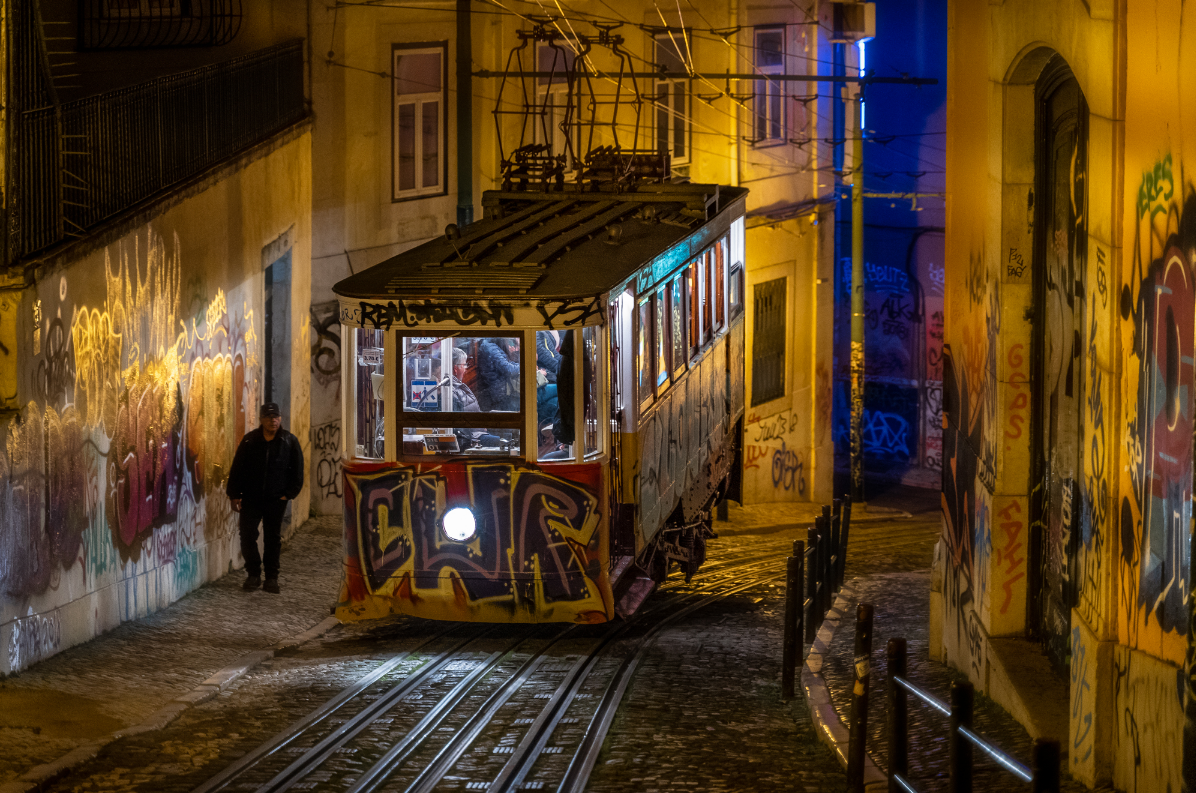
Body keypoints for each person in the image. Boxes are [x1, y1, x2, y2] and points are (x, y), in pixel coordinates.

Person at [226, 403, 304, 594]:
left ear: (280, 418)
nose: (273, 420)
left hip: (276, 500)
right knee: (247, 535)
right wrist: (234, 494)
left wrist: (289, 493)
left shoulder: (289, 441)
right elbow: (238, 469)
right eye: (269, 417)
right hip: (251, 498)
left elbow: (298, 470)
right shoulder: (249, 441)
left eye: (276, 417)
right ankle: (253, 574)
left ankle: (271, 578)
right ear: (261, 419)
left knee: (272, 538)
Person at [478, 336, 521, 412]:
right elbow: (508, 369)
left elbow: (508, 363)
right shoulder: (491, 348)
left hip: (501, 387)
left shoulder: (493, 345)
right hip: (498, 391)